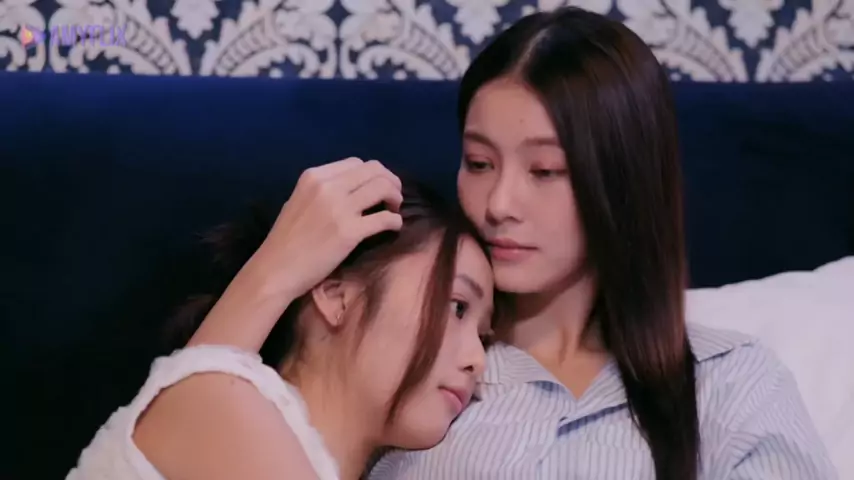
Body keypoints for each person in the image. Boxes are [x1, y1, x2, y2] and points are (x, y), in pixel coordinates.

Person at [180, 6, 837, 480]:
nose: (499, 204)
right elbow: (193, 436)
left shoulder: (728, 383)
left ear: (622, 184)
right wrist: (279, 268)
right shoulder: (410, 358)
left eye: (545, 171)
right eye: (479, 162)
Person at [65, 162, 496, 480]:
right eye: (457, 306)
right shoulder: (226, 407)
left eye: (484, 337)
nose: (477, 361)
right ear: (336, 295)